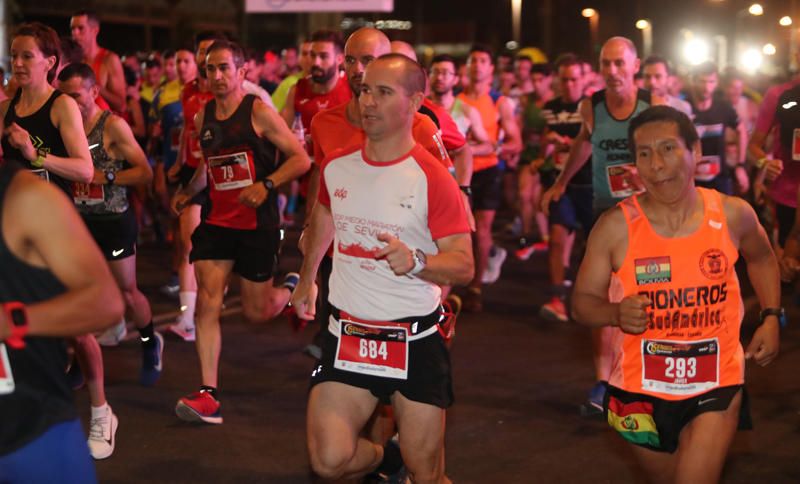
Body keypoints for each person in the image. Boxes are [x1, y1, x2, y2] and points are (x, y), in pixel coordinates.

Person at [572, 105, 780, 483]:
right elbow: (582, 303)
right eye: (645, 154)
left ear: (696, 151)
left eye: (668, 149)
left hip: (716, 381)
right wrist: (615, 313)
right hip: (638, 390)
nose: (656, 164)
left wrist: (771, 316)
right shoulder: (615, 227)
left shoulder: (733, 214)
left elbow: (764, 260)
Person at [291, 53, 473, 484]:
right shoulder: (338, 164)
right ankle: (385, 461)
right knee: (329, 461)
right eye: (365, 89)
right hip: (348, 334)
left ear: (415, 103)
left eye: (383, 92)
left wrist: (418, 261)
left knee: (426, 473)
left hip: (414, 340)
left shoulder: (431, 178)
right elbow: (325, 215)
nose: (368, 101)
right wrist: (307, 278)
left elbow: (464, 266)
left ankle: (405, 463)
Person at [170, 39, 311, 423]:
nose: (215, 76)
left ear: (241, 71)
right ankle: (208, 394)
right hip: (216, 222)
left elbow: (301, 159)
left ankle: (291, 287)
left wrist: (266, 185)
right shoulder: (201, 118)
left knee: (256, 311)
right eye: (210, 69)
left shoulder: (260, 112)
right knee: (207, 302)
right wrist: (188, 192)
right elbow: (208, 167)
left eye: (223, 68)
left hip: (257, 224)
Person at [542, 37, 662, 415]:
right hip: (606, 215)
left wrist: (646, 172)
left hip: (648, 216)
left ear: (634, 65)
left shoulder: (653, 105)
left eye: (618, 64)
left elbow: (676, 156)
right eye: (605, 64)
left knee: (651, 297)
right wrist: (560, 183)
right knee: (602, 298)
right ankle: (604, 381)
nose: (611, 72)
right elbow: (584, 143)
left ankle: (650, 377)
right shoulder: (591, 105)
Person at [58, 63, 159, 459]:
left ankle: (151, 342)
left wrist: (108, 177)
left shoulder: (111, 126)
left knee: (127, 291)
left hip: (113, 221)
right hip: (78, 222)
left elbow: (145, 173)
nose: (71, 103)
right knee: (74, 298)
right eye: (64, 96)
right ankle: (79, 364)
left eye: (77, 96)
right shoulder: (62, 122)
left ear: (93, 90)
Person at [0, 161, 125, 482]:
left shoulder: (26, 198)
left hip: (30, 427)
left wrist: (14, 321)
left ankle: (101, 410)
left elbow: (106, 301)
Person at [165, 32, 223, 342]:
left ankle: (214, 294)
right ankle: (187, 316)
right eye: (200, 53)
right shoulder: (187, 91)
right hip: (193, 172)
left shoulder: (226, 94)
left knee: (215, 245)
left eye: (209, 53)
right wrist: (178, 161)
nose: (203, 59)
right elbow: (189, 129)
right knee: (188, 242)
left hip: (221, 175)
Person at [458, 45, 521, 311]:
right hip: (460, 171)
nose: (477, 66)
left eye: (483, 61)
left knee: (482, 230)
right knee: (460, 228)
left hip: (488, 171)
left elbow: (515, 142)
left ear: (491, 69)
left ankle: (475, 287)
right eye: (473, 61)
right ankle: (453, 279)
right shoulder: (456, 100)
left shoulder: (499, 102)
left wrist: (491, 147)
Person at [537, 54, 592, 323]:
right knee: (557, 239)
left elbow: (594, 144)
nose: (569, 84)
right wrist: (546, 146)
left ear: (584, 80)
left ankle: (592, 299)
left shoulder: (593, 108)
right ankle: (557, 298)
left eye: (574, 79)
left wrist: (569, 145)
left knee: (593, 247)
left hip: (591, 185)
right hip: (561, 185)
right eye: (564, 79)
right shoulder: (550, 108)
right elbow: (543, 142)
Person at [748, 53, 800, 251]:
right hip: (787, 199)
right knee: (786, 270)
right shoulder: (778, 95)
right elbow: (753, 147)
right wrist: (765, 164)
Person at [688, 62, 748, 196]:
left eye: (711, 82)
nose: (706, 87)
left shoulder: (723, 107)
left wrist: (740, 165)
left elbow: (742, 130)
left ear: (716, 83)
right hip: (691, 180)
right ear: (694, 81)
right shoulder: (685, 107)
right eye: (702, 81)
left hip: (719, 179)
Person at [70, 10, 126, 113]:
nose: (75, 33)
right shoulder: (72, 60)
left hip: (104, 125)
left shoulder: (109, 60)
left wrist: (95, 88)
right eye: (73, 28)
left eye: (80, 28)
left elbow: (121, 105)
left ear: (94, 31)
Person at [272, 41, 312, 113]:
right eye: (304, 54)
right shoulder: (289, 82)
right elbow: (272, 111)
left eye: (313, 54)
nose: (309, 58)